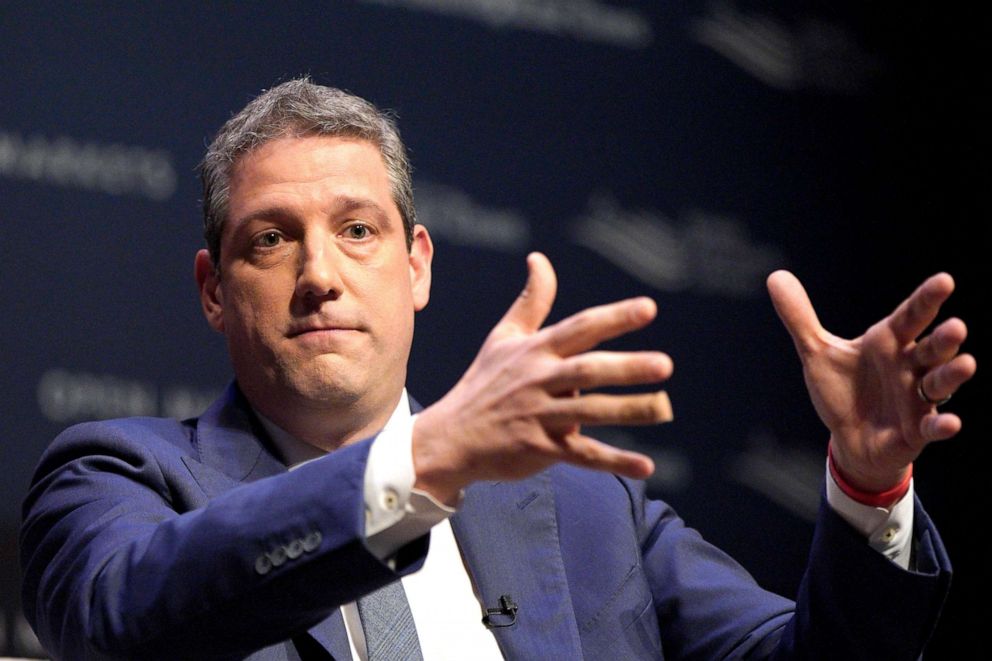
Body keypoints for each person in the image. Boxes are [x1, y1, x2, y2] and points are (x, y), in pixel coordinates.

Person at [19, 77, 976, 660]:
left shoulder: (588, 510)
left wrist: (868, 483)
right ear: (213, 290)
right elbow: (117, 620)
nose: (319, 275)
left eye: (358, 230)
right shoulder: (118, 476)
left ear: (418, 264)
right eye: (271, 240)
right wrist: (422, 461)